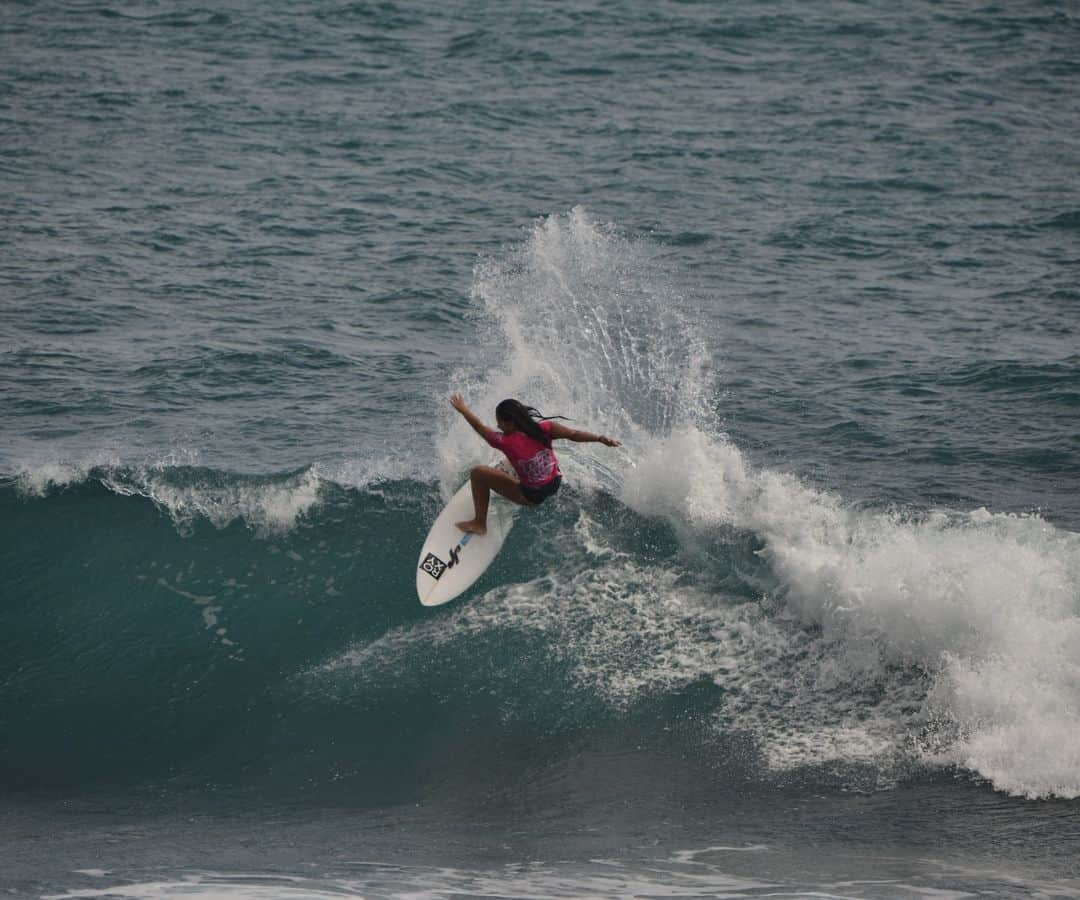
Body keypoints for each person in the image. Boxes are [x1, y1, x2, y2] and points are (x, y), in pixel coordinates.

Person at [449, 393, 621, 535]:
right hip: (555, 482)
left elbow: (479, 427)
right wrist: (599, 438)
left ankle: (480, 524)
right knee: (515, 459)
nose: (497, 425)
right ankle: (514, 476)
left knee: (478, 473)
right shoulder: (545, 428)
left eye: (499, 422)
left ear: (511, 423)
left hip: (532, 496)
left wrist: (464, 410)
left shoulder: (504, 442)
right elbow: (574, 434)